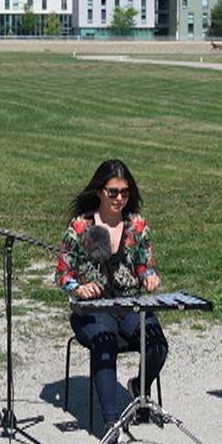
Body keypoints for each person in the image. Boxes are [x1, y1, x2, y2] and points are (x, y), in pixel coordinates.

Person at [55, 159, 167, 429]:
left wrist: (149, 276)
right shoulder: (80, 226)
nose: (119, 198)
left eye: (125, 193)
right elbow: (62, 275)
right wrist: (78, 288)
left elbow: (144, 265)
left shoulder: (137, 225)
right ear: (99, 192)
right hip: (92, 309)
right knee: (104, 342)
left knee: (157, 344)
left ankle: (139, 390)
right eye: (113, 192)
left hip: (129, 305)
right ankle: (111, 422)